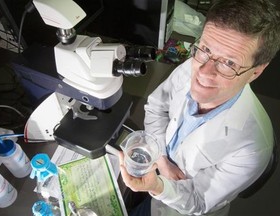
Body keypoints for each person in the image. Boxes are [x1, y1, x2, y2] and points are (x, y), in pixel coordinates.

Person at [119, 0, 280, 215]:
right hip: (156, 164)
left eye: (229, 63)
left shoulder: (252, 147)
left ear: (256, 72)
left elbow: (199, 201)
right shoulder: (195, 64)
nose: (203, 72)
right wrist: (162, 161)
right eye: (205, 49)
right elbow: (157, 107)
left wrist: (158, 186)